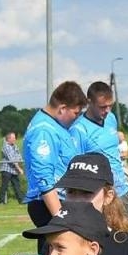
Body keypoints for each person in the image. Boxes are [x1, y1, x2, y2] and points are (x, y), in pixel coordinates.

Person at [74, 80, 128, 236]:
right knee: (113, 239)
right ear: (89, 102)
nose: (107, 110)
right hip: (101, 193)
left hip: (123, 188)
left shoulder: (111, 118)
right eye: (102, 107)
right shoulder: (78, 129)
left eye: (110, 106)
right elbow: (77, 167)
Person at [22, 81, 88, 228]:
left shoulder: (55, 125)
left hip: (61, 201)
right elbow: (44, 177)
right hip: (49, 204)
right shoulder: (44, 131)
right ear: (62, 109)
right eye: (76, 113)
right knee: (56, 250)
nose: (77, 117)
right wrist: (60, 216)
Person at [0, 130, 24, 204]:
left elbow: (19, 156)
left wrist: (20, 164)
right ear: (9, 139)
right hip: (6, 169)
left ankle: (21, 200)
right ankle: (1, 201)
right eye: (13, 138)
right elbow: (11, 159)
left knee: (17, 186)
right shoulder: (5, 147)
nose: (15, 139)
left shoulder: (15, 146)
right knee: (4, 186)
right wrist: (19, 169)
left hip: (14, 170)